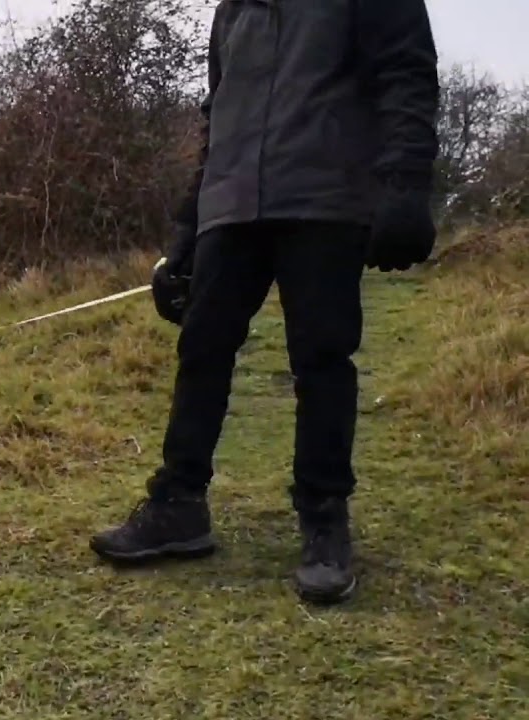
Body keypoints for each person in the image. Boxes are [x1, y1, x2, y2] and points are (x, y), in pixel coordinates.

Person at [89, 0, 440, 606]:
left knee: (322, 358)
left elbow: (407, 77)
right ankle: (179, 505)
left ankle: (325, 518)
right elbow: (216, 117)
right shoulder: (234, 11)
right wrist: (187, 229)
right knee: (201, 348)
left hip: (325, 202)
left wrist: (406, 186)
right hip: (230, 208)